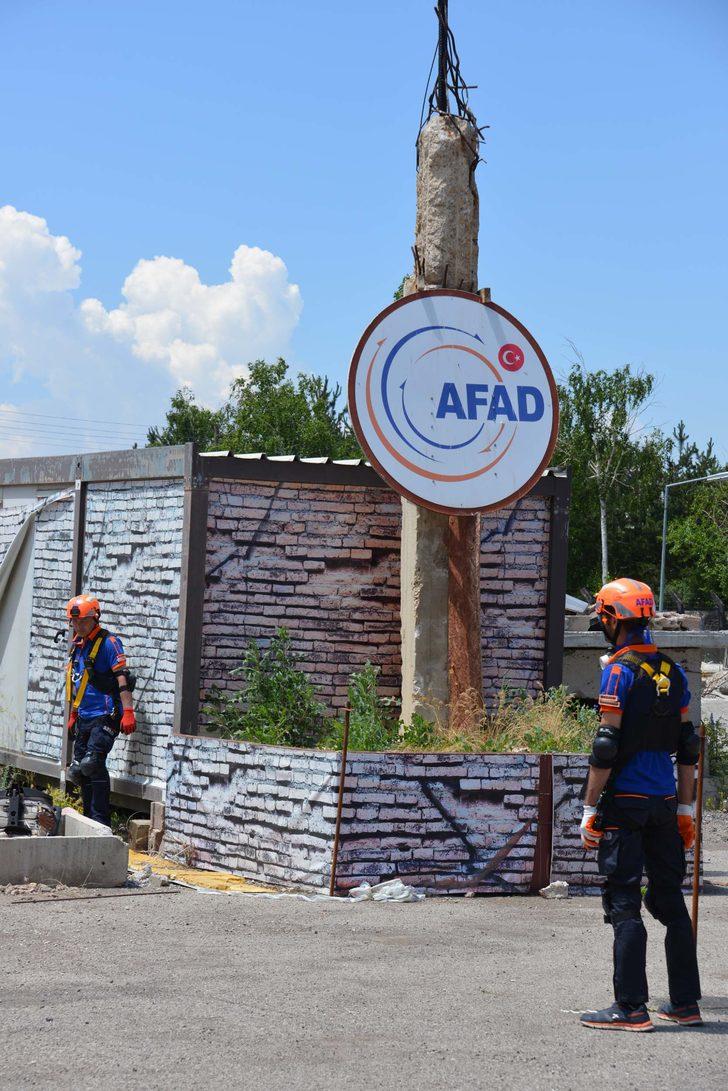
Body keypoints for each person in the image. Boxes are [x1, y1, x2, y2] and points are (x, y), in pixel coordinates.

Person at [579, 577, 702, 1032]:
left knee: (625, 902)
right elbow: (688, 747)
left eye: (602, 617)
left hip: (626, 804)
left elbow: (606, 746)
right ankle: (685, 1003)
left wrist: (589, 810)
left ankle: (630, 1008)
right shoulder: (674, 670)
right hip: (665, 804)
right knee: (671, 902)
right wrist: (685, 812)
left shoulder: (619, 671)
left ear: (613, 618)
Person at [65, 594, 136, 826]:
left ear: (95, 618)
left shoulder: (109, 643)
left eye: (83, 621)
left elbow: (122, 678)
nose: (78, 626)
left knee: (92, 763)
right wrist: (74, 714)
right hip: (84, 715)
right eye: (74, 622)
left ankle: (101, 821)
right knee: (78, 770)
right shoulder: (78, 645)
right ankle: (89, 820)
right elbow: (77, 681)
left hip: (107, 714)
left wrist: (128, 711)